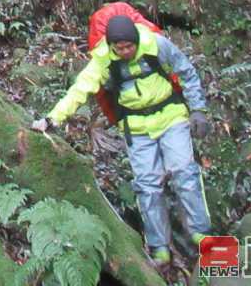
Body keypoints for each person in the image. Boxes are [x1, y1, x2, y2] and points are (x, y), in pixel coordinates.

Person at [31, 15, 211, 266]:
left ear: (136, 41)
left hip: (171, 118)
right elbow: (80, 89)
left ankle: (201, 233)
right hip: (136, 127)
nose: (125, 52)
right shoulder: (105, 58)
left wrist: (198, 110)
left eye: (129, 47)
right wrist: (52, 119)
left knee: (184, 171)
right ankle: (160, 247)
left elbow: (187, 72)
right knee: (147, 185)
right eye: (120, 48)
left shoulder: (156, 45)